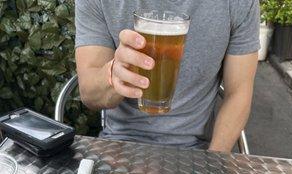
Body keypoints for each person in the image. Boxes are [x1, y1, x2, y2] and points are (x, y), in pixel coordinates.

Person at [75, 0, 260, 152]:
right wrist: (114, 74)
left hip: (195, 150)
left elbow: (238, 93)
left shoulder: (239, 4)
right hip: (119, 145)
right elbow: (89, 93)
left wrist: (213, 161)